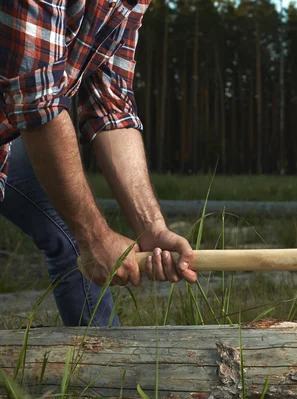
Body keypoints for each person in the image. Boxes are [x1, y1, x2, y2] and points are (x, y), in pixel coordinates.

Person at [0, 0, 197, 327]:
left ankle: (100, 369)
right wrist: (95, 237)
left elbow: (112, 104)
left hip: (12, 129)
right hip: (24, 115)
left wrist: (152, 227)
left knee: (73, 239)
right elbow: (36, 99)